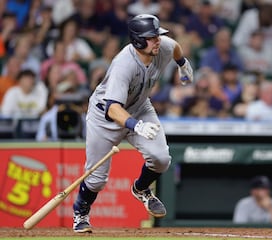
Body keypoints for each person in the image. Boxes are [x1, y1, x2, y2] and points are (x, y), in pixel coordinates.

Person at [71, 14, 193, 233]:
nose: (157, 40)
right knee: (96, 179)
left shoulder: (162, 46)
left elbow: (174, 46)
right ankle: (81, 212)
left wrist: (182, 64)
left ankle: (142, 188)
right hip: (104, 118)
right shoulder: (123, 64)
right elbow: (112, 109)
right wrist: (136, 125)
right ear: (137, 40)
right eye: (151, 37)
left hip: (138, 107)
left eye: (157, 35)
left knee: (161, 159)